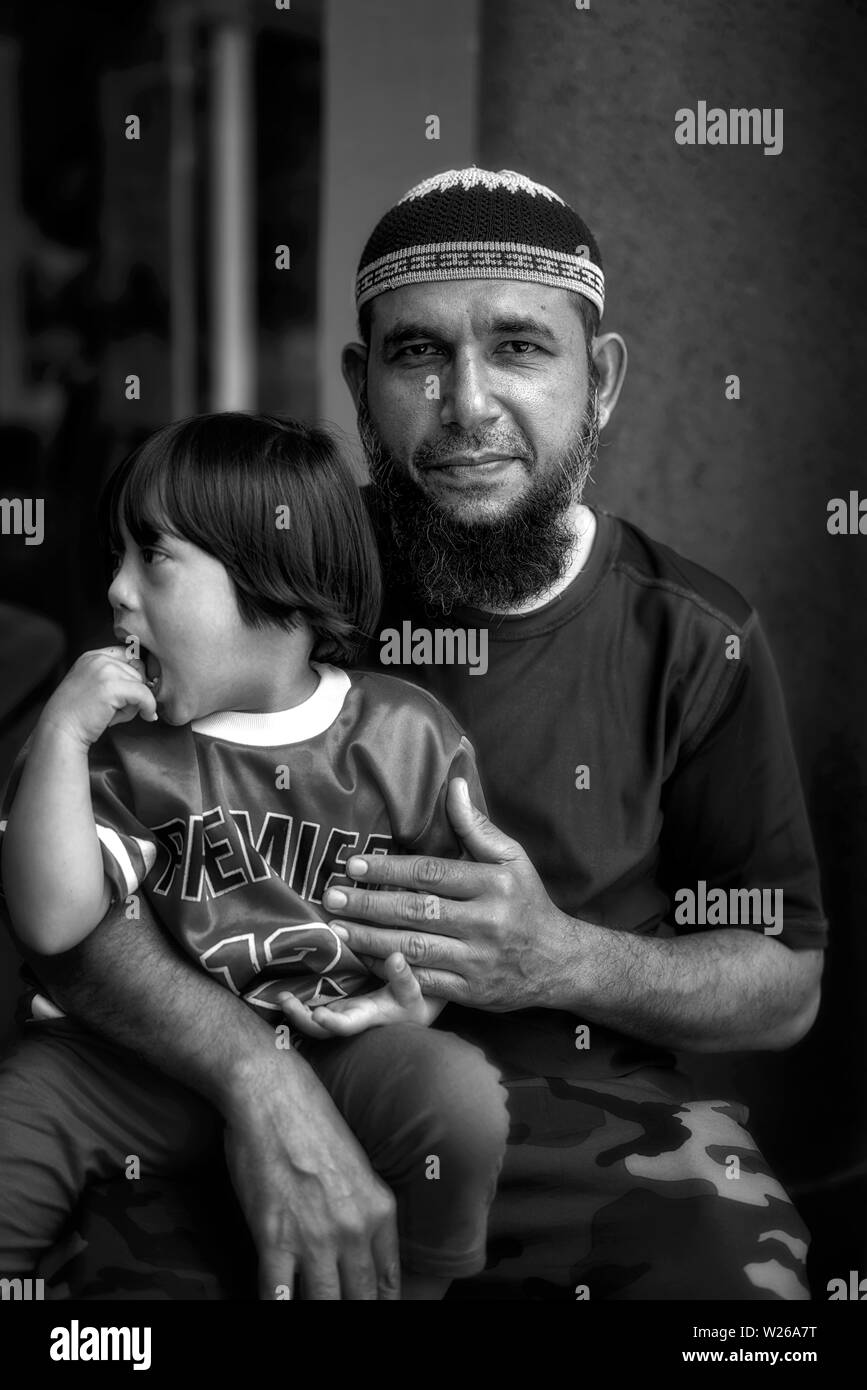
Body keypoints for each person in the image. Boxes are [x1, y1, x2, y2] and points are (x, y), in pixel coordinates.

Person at [5, 168, 826, 1301]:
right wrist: (259, 1074)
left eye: (521, 348)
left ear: (602, 378)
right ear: (360, 383)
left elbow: (786, 982)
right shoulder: (263, 575)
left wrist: (559, 954)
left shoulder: (695, 635)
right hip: (219, 1093)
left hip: (577, 1124)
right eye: (418, 354)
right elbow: (68, 899)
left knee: (751, 1300)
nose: (468, 403)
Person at [0, 411, 509, 1301]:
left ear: (276, 580)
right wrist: (59, 735)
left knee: (457, 1097)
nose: (117, 591)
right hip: (134, 1066)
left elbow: (458, 916)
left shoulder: (404, 734)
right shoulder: (127, 748)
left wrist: (413, 1002)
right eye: (116, 557)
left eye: (151, 558)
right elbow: (51, 918)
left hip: (335, 1060)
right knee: (17, 1118)